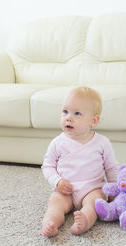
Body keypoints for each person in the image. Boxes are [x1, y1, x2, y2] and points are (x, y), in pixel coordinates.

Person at [41, 86, 119, 237]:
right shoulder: (58, 142)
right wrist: (57, 181)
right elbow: (48, 166)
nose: (68, 117)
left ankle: (85, 221)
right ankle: (50, 224)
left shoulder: (102, 143)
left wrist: (114, 192)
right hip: (65, 190)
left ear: (94, 120)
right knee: (55, 204)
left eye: (77, 113)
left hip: (92, 188)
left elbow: (111, 169)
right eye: (65, 111)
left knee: (94, 203)